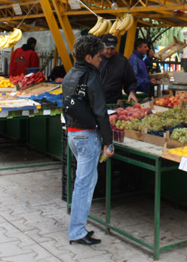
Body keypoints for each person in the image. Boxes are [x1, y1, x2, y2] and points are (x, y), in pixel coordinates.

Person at [63, 35, 114, 246]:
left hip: (73, 134)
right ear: (88, 57)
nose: (101, 59)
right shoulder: (91, 77)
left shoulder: (70, 74)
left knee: (85, 182)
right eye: (98, 56)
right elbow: (101, 112)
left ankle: (79, 227)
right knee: (84, 185)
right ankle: (77, 231)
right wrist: (108, 142)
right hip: (87, 136)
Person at [99, 34, 138, 104]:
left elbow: (131, 81)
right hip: (95, 102)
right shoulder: (94, 58)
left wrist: (131, 92)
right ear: (102, 46)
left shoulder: (122, 61)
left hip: (113, 102)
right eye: (107, 48)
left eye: (112, 49)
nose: (109, 51)